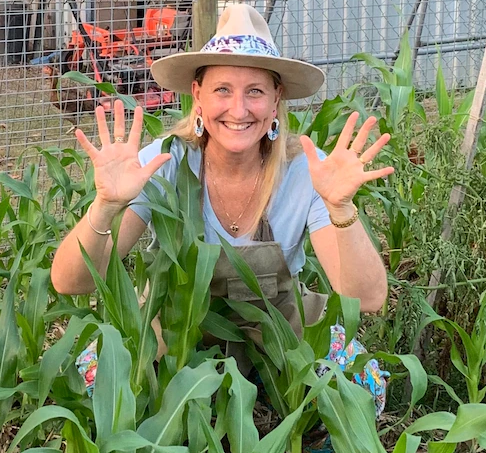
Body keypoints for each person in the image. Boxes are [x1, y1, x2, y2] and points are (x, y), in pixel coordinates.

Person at [51, 4, 394, 415]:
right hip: (177, 327)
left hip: (280, 326)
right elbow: (69, 283)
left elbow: (369, 297)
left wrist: (340, 207)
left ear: (275, 98)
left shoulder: (307, 169)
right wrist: (106, 205)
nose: (238, 109)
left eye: (255, 91)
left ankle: (290, 439)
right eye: (222, 90)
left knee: (361, 387)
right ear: (197, 95)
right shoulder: (164, 162)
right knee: (95, 381)